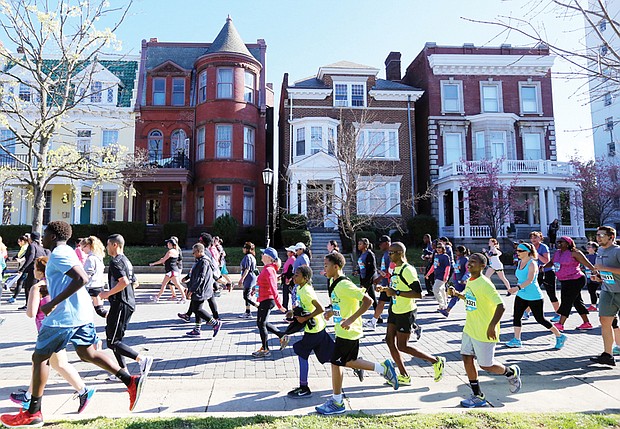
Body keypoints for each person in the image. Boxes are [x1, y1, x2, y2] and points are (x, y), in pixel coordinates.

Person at [0, 222, 148, 428]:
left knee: (39, 357)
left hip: (64, 317)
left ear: (53, 236)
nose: (43, 237)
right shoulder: (66, 251)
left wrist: (53, 302)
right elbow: (67, 280)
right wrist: (49, 291)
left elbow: (81, 278)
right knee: (88, 353)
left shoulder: (60, 253)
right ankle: (130, 381)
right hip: (82, 313)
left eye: (45, 234)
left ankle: (33, 413)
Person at [9, 256, 96, 414]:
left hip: (47, 331)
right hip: (60, 327)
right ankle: (30, 395)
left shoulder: (37, 288)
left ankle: (31, 397)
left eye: (35, 269)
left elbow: (31, 313)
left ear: (40, 271)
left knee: (43, 362)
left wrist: (31, 297)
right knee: (56, 363)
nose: (33, 271)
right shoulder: (58, 284)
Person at [316, 251, 398, 415]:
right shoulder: (334, 282)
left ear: (336, 266)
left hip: (349, 331)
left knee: (337, 362)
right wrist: (332, 312)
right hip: (342, 330)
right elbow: (342, 304)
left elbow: (367, 301)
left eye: (326, 266)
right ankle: (382, 369)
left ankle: (338, 402)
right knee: (344, 361)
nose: (324, 269)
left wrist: (351, 320)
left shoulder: (344, 284)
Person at [447, 252, 521, 408]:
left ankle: (510, 372)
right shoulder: (470, 281)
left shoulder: (485, 284)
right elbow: (471, 299)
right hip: (470, 328)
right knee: (466, 358)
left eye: (474, 262)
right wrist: (457, 294)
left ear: (483, 266)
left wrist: (492, 326)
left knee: (486, 365)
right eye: (469, 261)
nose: (469, 263)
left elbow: (501, 305)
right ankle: (478, 396)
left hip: (485, 331)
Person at [379, 242, 445, 387]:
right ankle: (404, 375)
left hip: (406, 312)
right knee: (389, 341)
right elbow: (397, 287)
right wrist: (386, 289)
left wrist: (395, 292)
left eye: (392, 252)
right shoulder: (395, 269)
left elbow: (418, 294)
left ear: (400, 253)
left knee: (402, 346)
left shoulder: (408, 270)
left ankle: (436, 361)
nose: (389, 255)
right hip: (395, 309)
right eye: (389, 252)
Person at [99, 234, 153, 383]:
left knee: (113, 342)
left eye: (108, 244)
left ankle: (142, 359)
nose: (106, 247)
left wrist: (107, 294)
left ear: (115, 245)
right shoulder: (126, 261)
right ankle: (123, 371)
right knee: (115, 339)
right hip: (126, 303)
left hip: (121, 304)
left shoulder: (116, 262)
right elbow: (134, 283)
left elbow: (124, 281)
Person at [504, 243, 567, 349]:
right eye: (517, 251)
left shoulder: (532, 264)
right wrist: (517, 289)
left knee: (540, 319)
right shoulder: (519, 262)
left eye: (520, 251)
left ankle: (559, 336)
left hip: (534, 296)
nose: (517, 253)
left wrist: (516, 288)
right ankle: (517, 340)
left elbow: (530, 280)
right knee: (517, 317)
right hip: (521, 295)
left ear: (527, 252)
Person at [287, 265, 335, 398]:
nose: (294, 277)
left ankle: (304, 387)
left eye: (297, 275)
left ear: (305, 278)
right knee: (331, 356)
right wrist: (294, 314)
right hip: (317, 327)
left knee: (301, 352)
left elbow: (320, 309)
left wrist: (305, 318)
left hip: (314, 329)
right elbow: (304, 307)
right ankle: (355, 364)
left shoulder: (307, 291)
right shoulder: (300, 288)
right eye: (294, 274)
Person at [545, 236, 595, 331]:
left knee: (566, 300)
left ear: (568, 243)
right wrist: (543, 267)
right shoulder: (557, 253)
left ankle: (560, 323)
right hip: (565, 281)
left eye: (561, 242)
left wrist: (595, 272)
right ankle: (586, 323)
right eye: (558, 242)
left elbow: (587, 263)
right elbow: (552, 262)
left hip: (576, 279)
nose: (559, 244)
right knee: (577, 301)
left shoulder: (575, 253)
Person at [591, 226, 620, 366]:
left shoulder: (618, 251)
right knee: (605, 321)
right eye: (597, 235)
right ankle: (607, 355)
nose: (598, 237)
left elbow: (609, 269)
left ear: (611, 237)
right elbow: (605, 273)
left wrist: (605, 269)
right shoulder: (600, 250)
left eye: (601, 235)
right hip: (607, 291)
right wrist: (598, 277)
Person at [252, 247, 288, 358]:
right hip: (264, 299)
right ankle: (282, 336)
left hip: (268, 300)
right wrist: (255, 289)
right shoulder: (267, 268)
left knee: (261, 324)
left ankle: (265, 349)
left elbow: (273, 288)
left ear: (268, 257)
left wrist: (280, 306)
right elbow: (262, 283)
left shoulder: (269, 270)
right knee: (262, 323)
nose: (261, 255)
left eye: (263, 254)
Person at [183, 243, 223, 338]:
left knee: (197, 309)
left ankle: (215, 323)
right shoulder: (200, 260)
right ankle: (197, 330)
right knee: (196, 308)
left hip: (201, 289)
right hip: (200, 288)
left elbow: (201, 277)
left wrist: (192, 290)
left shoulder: (204, 261)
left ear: (200, 251)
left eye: (194, 252)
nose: (193, 254)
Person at [364, 235, 392, 330]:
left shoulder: (391, 254)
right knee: (381, 302)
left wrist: (379, 278)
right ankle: (374, 321)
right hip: (385, 284)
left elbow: (391, 270)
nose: (379, 246)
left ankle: (413, 326)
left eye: (381, 244)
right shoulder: (385, 254)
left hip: (392, 284)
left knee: (393, 310)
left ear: (387, 243)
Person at [530, 231, 560, 318]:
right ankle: (526, 312)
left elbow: (546, 261)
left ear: (540, 238)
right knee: (532, 291)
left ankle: (558, 313)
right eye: (532, 237)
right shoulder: (530, 247)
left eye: (535, 237)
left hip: (548, 272)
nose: (533, 239)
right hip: (536, 273)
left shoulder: (543, 247)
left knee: (551, 294)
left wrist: (536, 254)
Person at [16, 232, 48, 310]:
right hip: (41, 270)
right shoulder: (40, 247)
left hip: (33, 270)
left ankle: (29, 304)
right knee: (37, 287)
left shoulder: (32, 245)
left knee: (29, 287)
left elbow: (31, 257)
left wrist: (22, 269)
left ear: (31, 238)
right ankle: (36, 303)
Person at [149, 238, 185, 303]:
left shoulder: (170, 251)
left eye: (168, 243)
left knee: (177, 284)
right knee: (164, 284)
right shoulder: (176, 251)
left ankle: (183, 297)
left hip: (172, 271)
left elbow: (163, 260)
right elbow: (169, 260)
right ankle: (157, 297)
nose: (167, 244)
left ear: (171, 244)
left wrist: (154, 263)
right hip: (171, 270)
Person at [80, 236, 107, 318]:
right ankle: (114, 320)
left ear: (88, 246)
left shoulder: (90, 259)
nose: (82, 250)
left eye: (83, 247)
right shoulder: (99, 257)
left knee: (97, 310)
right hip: (99, 285)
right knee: (100, 310)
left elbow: (87, 274)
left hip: (91, 287)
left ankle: (114, 319)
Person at [444, 245, 471, 316]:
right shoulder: (458, 259)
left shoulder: (466, 260)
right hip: (458, 281)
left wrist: (464, 279)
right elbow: (456, 271)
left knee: (469, 296)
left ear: (461, 252)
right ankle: (447, 310)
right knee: (455, 295)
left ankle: (472, 311)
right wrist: (454, 279)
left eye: (457, 251)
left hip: (464, 281)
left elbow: (468, 271)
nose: (455, 252)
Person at [424, 241, 450, 312]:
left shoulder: (445, 257)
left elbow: (447, 267)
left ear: (443, 248)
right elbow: (433, 266)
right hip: (436, 276)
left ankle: (442, 305)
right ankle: (444, 306)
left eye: (440, 247)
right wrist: (428, 274)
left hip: (442, 276)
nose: (438, 249)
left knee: (435, 290)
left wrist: (446, 276)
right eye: (437, 247)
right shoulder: (436, 256)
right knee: (442, 291)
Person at [354, 237, 378, 312]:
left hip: (368, 280)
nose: (358, 245)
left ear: (365, 245)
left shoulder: (369, 254)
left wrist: (368, 280)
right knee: (371, 297)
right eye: (358, 244)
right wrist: (357, 271)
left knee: (362, 297)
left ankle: (356, 314)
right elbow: (362, 266)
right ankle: (378, 315)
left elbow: (373, 269)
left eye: (360, 244)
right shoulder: (361, 254)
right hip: (363, 278)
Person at [7, 235, 30, 304]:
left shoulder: (26, 247)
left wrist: (20, 260)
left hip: (24, 267)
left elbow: (26, 256)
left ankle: (14, 297)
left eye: (19, 241)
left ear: (23, 241)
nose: (18, 243)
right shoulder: (23, 247)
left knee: (20, 282)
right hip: (22, 266)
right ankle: (14, 295)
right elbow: (19, 255)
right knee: (20, 282)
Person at [238, 242, 259, 318]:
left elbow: (247, 269)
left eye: (244, 248)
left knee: (246, 296)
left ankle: (258, 307)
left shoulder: (248, 257)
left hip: (249, 278)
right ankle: (247, 311)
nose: (243, 249)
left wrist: (241, 279)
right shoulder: (252, 256)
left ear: (247, 249)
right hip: (252, 277)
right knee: (248, 295)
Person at [584, 241, 601, 311]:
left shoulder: (597, 256)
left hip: (596, 276)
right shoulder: (586, 256)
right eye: (587, 247)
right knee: (591, 291)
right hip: (588, 276)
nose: (587, 248)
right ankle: (599, 296)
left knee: (592, 290)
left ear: (594, 248)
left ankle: (593, 305)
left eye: (589, 247)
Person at [280, 245, 296, 316]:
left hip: (288, 279)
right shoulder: (290, 259)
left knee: (288, 293)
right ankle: (284, 306)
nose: (287, 252)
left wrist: (289, 279)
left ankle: (285, 307)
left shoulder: (292, 259)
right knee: (285, 293)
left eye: (289, 251)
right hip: (286, 278)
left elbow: (291, 270)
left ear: (292, 252)